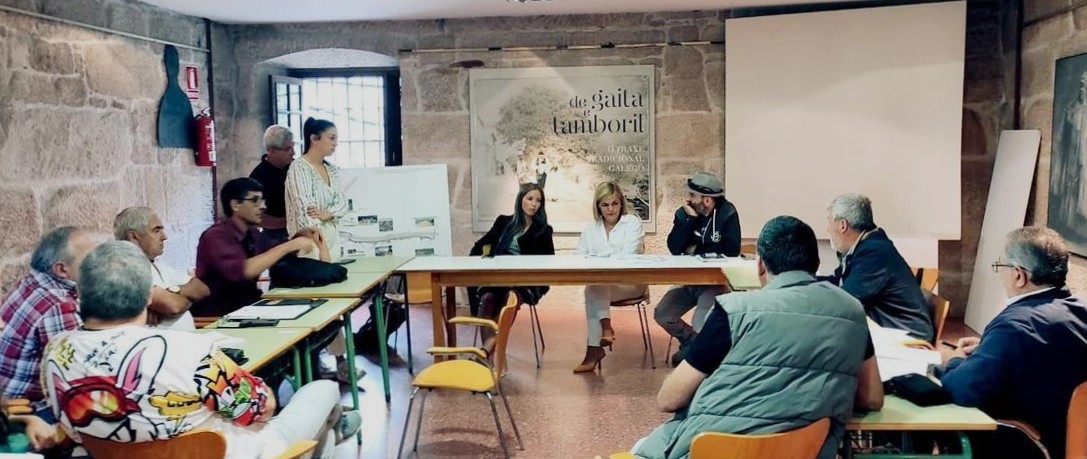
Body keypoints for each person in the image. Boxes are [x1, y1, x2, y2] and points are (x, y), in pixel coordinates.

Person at [40, 240, 361, 459]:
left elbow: (74, 432)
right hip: (233, 453)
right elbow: (261, 408)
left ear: (81, 295)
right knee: (324, 391)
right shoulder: (189, 351)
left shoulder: (55, 354)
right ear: (149, 295)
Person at [633, 216, 883, 459]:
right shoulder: (852, 311)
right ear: (816, 263)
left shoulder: (733, 311)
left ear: (760, 265)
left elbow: (669, 399)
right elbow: (872, 397)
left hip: (713, 449)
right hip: (804, 450)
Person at [938, 227, 1087, 459]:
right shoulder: (1081, 310)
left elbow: (961, 391)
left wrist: (954, 359)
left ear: (1019, 275)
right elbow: (1053, 357)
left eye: (1001, 266)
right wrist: (990, 347)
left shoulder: (1013, 326)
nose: (1000, 275)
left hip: (1029, 445)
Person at [0, 227, 97, 419]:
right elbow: (75, 375)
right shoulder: (59, 306)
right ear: (61, 269)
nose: (97, 264)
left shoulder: (31, 281)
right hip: (23, 410)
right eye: (89, 259)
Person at [191, 177, 320, 317]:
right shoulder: (216, 236)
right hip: (220, 313)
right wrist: (289, 246)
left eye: (263, 200)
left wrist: (299, 237)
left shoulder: (251, 233)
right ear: (235, 205)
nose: (263, 206)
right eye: (254, 200)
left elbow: (275, 253)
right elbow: (242, 271)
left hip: (249, 305)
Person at [655, 171, 741, 366]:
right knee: (663, 314)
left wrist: (695, 249)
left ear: (707, 200)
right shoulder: (684, 213)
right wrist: (690, 220)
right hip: (688, 281)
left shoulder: (727, 212)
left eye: (692, 195)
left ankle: (697, 358)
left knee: (700, 322)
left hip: (714, 282)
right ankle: (692, 344)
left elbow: (731, 250)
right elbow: (675, 248)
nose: (688, 199)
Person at [823, 193, 934, 342]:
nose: (827, 229)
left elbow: (846, 301)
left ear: (843, 225)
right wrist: (805, 282)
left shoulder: (874, 253)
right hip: (893, 330)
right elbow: (838, 281)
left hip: (909, 338)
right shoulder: (867, 246)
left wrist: (808, 299)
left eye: (829, 221)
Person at [468, 183, 555, 351]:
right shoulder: (504, 222)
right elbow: (482, 246)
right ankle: (491, 356)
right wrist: (486, 257)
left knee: (511, 298)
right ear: (520, 199)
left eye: (538, 201)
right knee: (487, 298)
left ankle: (487, 349)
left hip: (527, 282)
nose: (534, 204)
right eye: (530, 199)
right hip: (500, 278)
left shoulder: (544, 230)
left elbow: (548, 261)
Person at [573, 181, 646, 373]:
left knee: (594, 287)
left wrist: (597, 260)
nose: (611, 209)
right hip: (602, 285)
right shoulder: (591, 229)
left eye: (615, 203)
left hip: (630, 284)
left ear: (621, 203)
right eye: (605, 205)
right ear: (598, 206)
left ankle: (596, 345)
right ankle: (603, 333)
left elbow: (627, 257)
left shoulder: (632, 223)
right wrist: (600, 263)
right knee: (595, 286)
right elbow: (579, 257)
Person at [113, 206, 209, 330]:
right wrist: (188, 297)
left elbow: (202, 288)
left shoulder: (159, 266)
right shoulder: (124, 269)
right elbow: (173, 306)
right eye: (156, 230)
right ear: (133, 236)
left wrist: (173, 291)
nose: (164, 236)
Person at [286, 117, 348, 259]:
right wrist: (322, 248)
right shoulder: (299, 167)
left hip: (333, 240)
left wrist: (329, 213)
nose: (335, 143)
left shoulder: (331, 169)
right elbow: (306, 210)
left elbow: (343, 203)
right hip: (310, 245)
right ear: (314, 139)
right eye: (331, 138)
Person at [249, 125, 296, 243]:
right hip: (276, 236)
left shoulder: (296, 168)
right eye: (288, 149)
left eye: (293, 147)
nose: (293, 153)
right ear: (271, 150)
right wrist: (285, 222)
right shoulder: (258, 177)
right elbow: (255, 216)